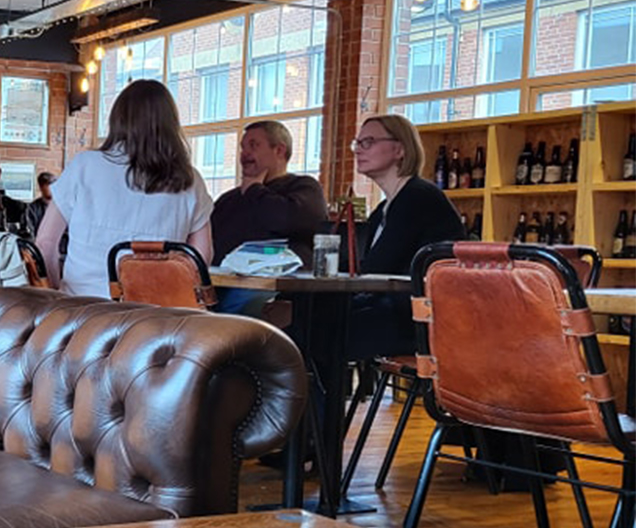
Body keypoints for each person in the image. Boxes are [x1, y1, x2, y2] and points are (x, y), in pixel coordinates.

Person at [35, 80, 213, 297]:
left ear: (117, 119)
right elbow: (201, 257)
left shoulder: (85, 166)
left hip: (83, 309)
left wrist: (56, 294)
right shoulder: (189, 180)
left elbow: (45, 243)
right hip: (157, 312)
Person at [347, 113, 465, 358]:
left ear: (399, 150)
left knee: (316, 329)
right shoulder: (384, 208)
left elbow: (376, 266)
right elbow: (362, 266)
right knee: (307, 321)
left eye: (368, 142)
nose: (358, 150)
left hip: (419, 319)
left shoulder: (418, 197)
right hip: (395, 309)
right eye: (357, 143)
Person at [211, 119, 328, 315]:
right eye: (242, 148)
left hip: (270, 285)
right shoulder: (229, 199)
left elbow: (286, 220)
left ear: (279, 150)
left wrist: (255, 190)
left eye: (253, 145)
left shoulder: (303, 187)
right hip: (223, 280)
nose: (244, 154)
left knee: (236, 304)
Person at [25, 171, 56, 235]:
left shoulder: (63, 207)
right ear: (41, 187)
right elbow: (30, 233)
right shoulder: (32, 209)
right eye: (49, 185)